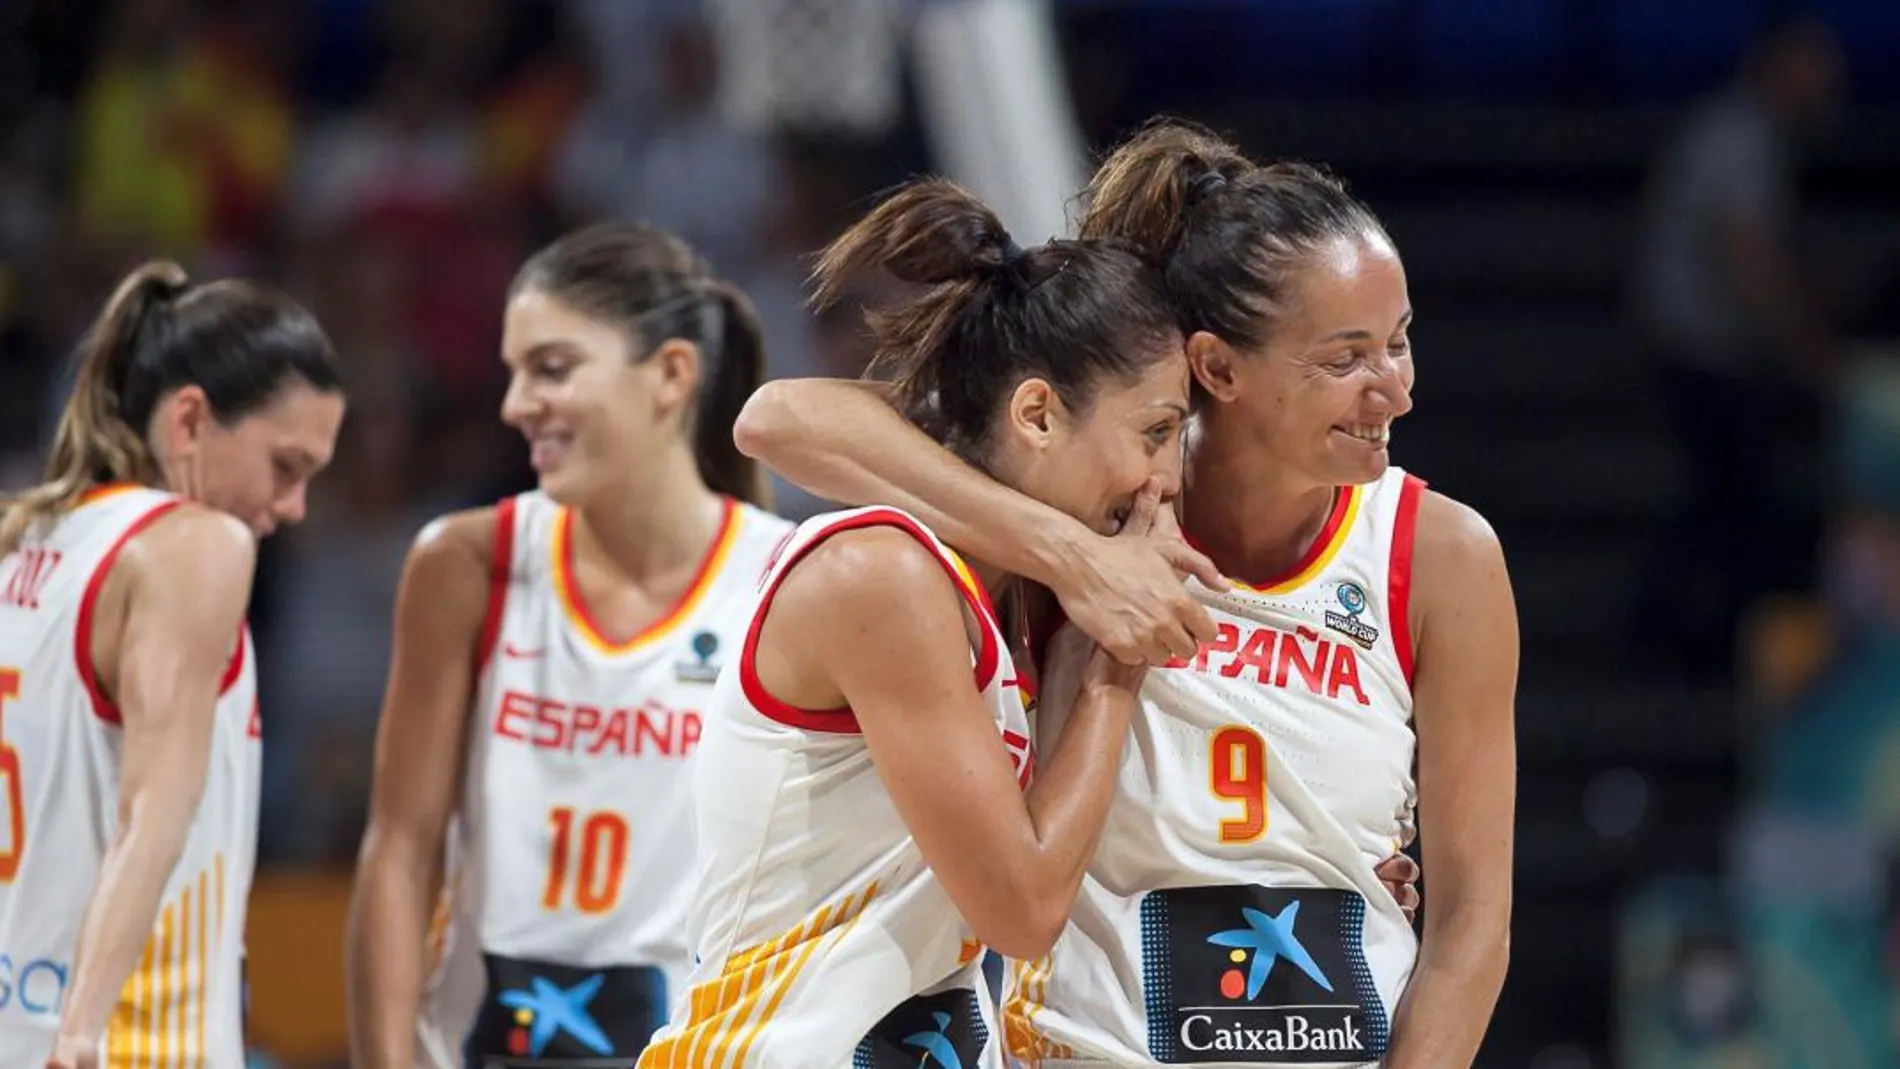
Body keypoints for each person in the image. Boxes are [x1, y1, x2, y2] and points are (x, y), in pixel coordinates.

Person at [733, 120, 1516, 1067]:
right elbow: (782, 419)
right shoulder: (1096, 494)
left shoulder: (1438, 555)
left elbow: (1472, 923)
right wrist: (1071, 556)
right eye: (1345, 359)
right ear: (1217, 368)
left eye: (1399, 342)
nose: (1394, 389)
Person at [636, 179, 1192, 1069]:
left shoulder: (1012, 596)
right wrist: (1114, 655)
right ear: (1039, 414)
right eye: (1157, 432)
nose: (1166, 478)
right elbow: (1023, 908)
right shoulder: (885, 573)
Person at [346, 221, 794, 1069]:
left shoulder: (785, 577)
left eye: (550, 369)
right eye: (514, 373)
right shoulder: (466, 561)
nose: (516, 404)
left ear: (669, 374)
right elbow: (399, 848)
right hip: (482, 1046)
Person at [0, 260, 346, 1069]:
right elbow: (152, 812)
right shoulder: (196, 543)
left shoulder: (22, 537)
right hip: (128, 1041)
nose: (292, 508)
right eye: (286, 466)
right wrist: (79, 1033)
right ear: (190, 420)